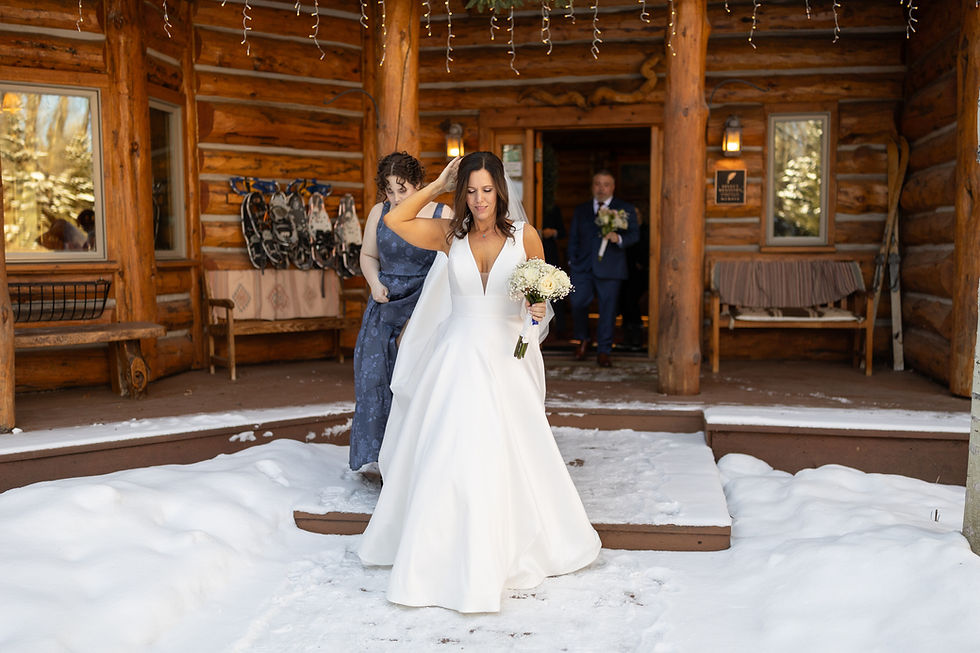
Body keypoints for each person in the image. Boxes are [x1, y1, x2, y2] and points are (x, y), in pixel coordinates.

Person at [358, 152, 600, 613]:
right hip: (457, 356)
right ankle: (439, 553)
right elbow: (397, 220)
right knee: (452, 450)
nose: (479, 199)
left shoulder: (524, 236)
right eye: (470, 190)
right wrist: (438, 183)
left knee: (506, 451)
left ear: (500, 191)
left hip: (507, 356)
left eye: (487, 190)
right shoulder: (449, 234)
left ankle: (506, 548)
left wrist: (535, 308)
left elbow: (539, 297)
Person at [349, 152, 452, 473]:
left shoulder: (440, 212)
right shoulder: (379, 212)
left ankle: (413, 459)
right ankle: (378, 457)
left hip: (426, 300)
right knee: (375, 376)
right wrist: (374, 283)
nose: (394, 198)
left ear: (419, 184)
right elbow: (368, 254)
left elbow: (450, 263)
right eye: (389, 191)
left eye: (402, 190)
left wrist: (424, 313)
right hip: (385, 301)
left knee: (414, 380)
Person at [567, 169, 639, 367]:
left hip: (611, 268)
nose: (601, 188)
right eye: (597, 184)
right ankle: (582, 339)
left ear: (613, 187)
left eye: (606, 184)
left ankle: (604, 350)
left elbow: (634, 235)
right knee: (578, 303)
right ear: (592, 186)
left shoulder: (624, 209)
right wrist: (572, 261)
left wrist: (619, 238)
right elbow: (573, 237)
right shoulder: (581, 210)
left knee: (608, 310)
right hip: (582, 267)